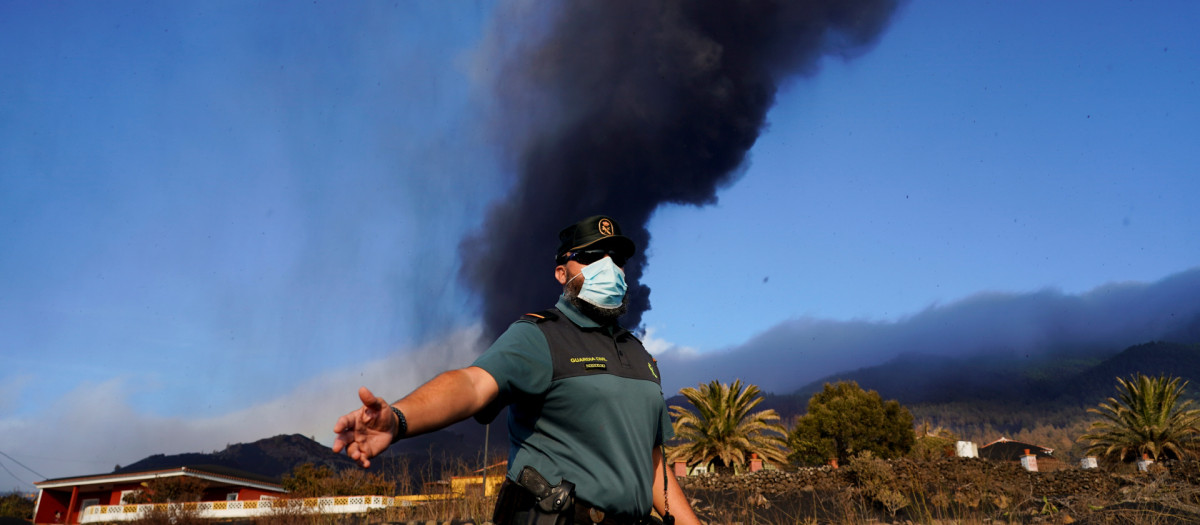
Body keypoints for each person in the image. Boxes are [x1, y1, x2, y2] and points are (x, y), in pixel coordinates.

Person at [332, 215, 700, 525]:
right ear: (561, 272)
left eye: (616, 258)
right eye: (590, 257)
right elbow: (472, 384)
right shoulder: (540, 336)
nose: (608, 267)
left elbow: (650, 463)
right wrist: (398, 419)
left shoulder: (639, 355)